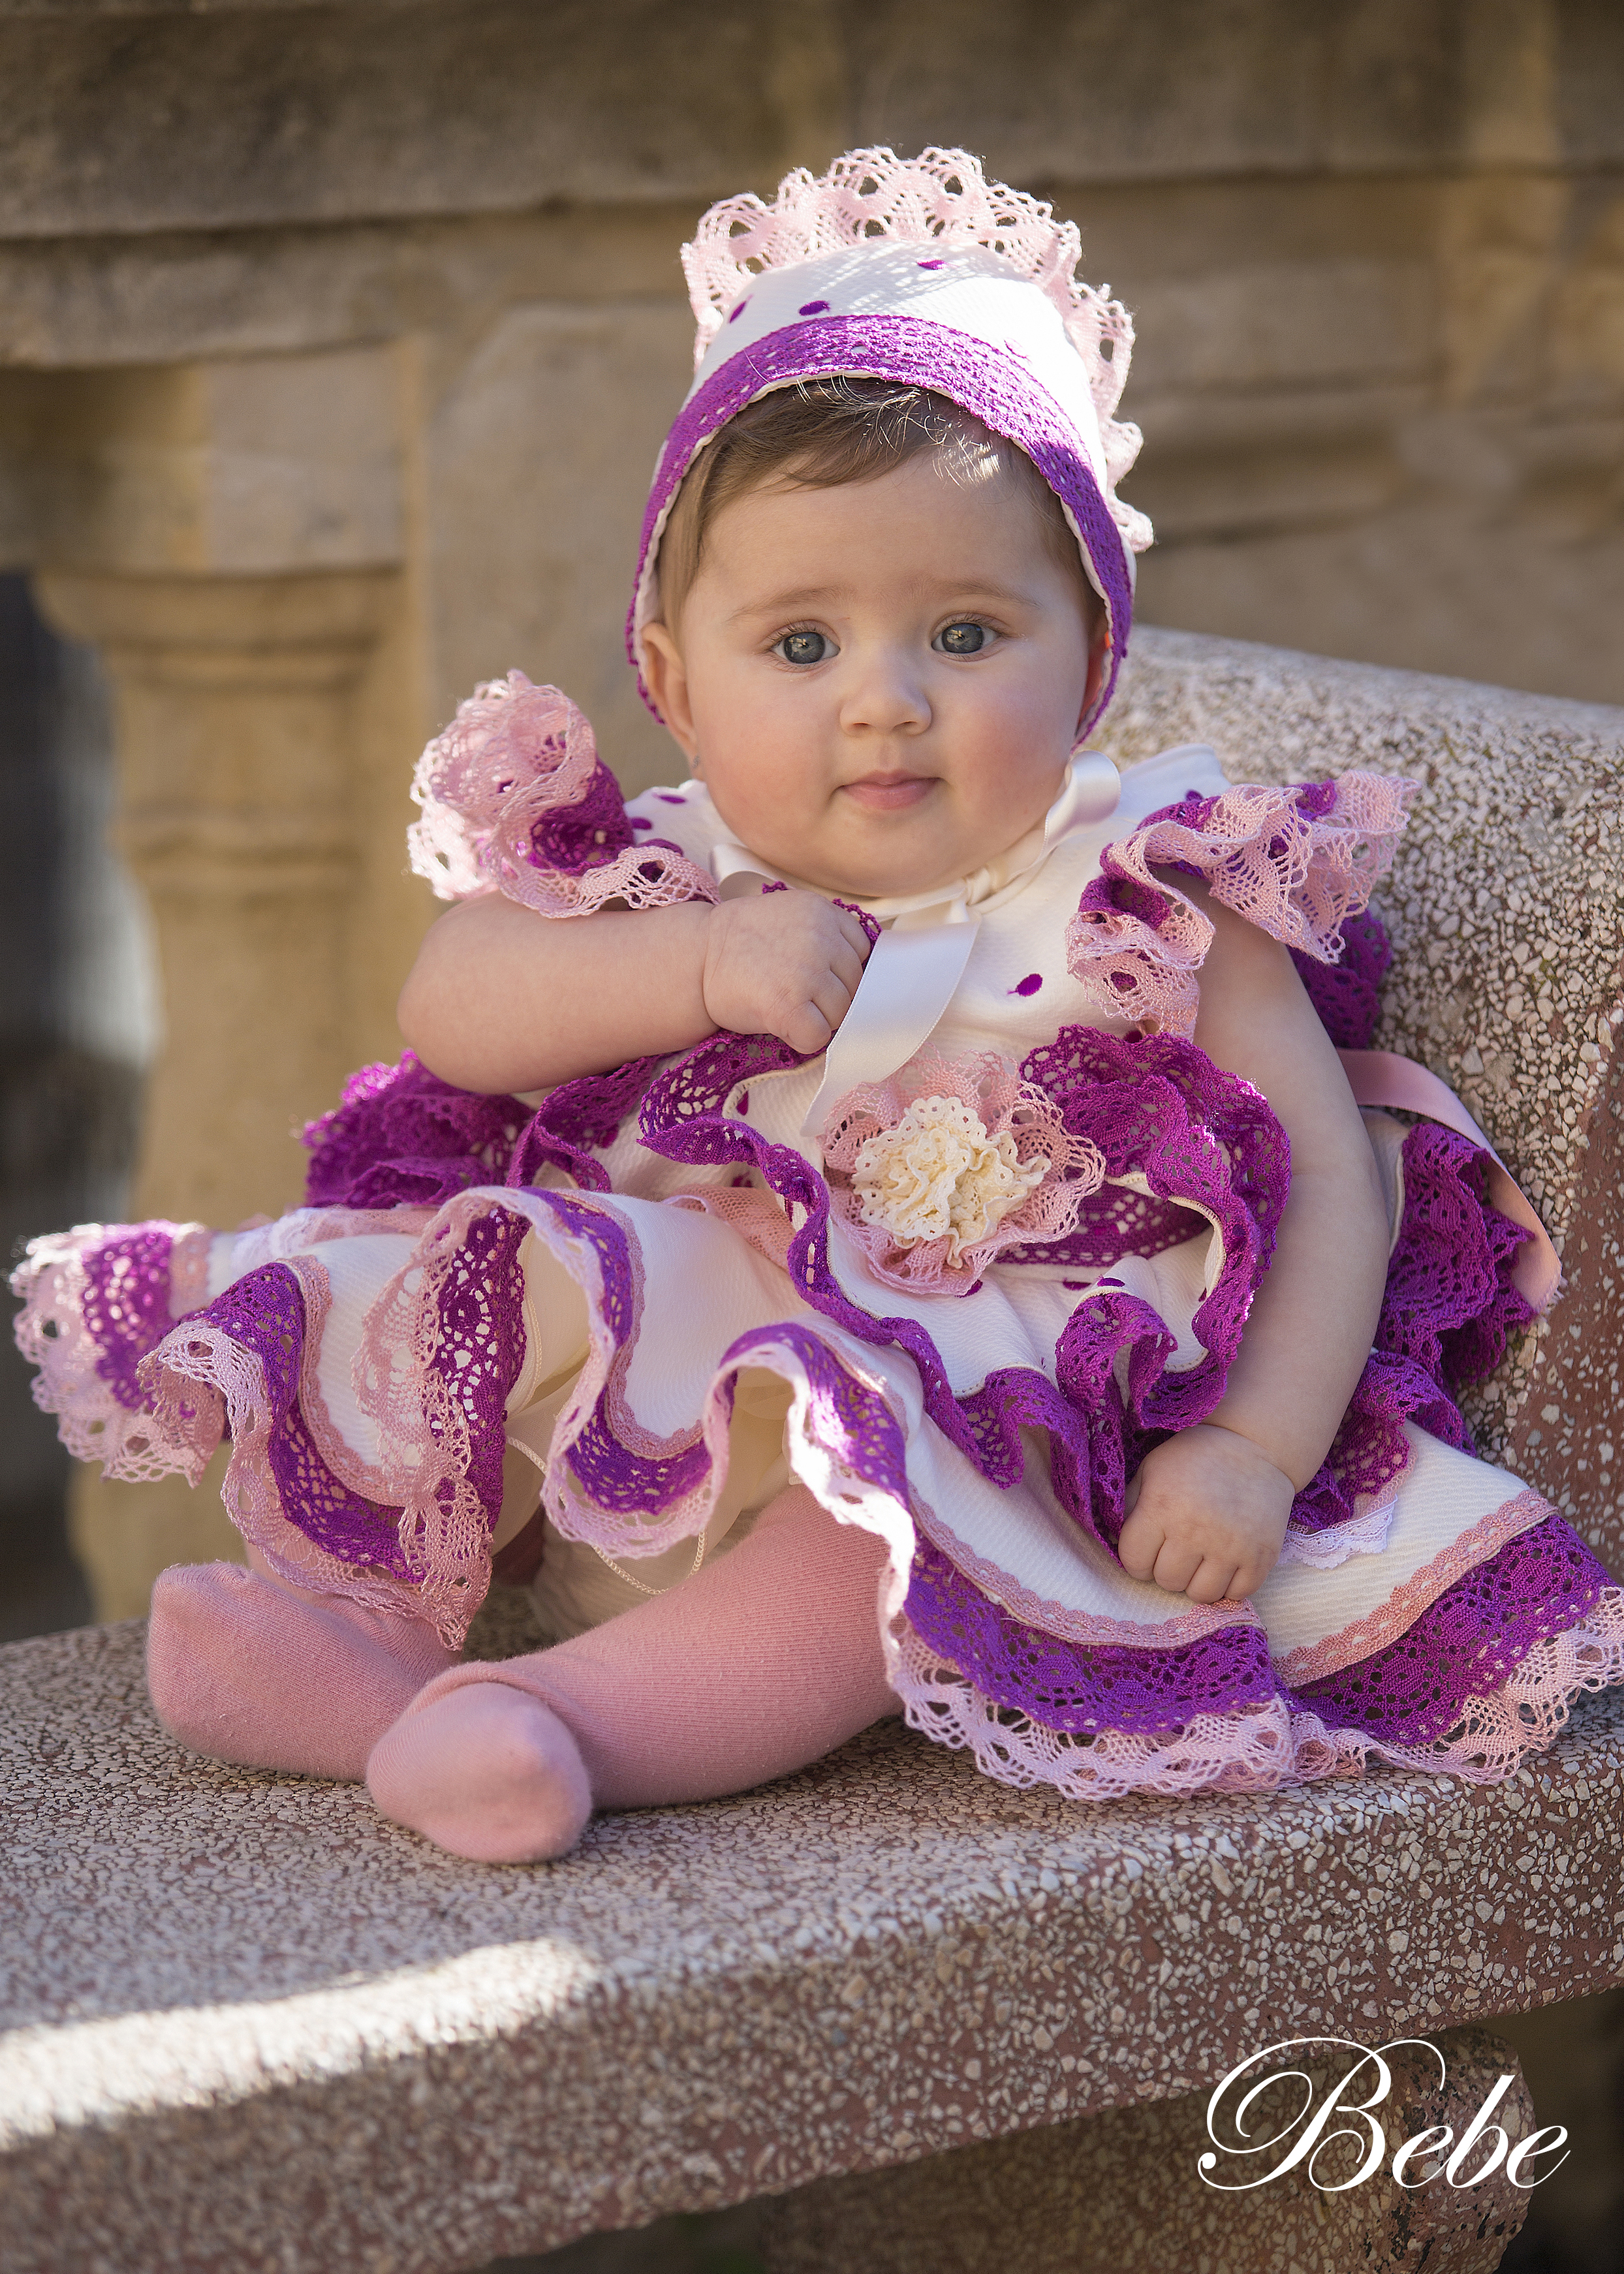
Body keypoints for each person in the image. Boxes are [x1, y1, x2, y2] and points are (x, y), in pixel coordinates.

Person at [14, 149, 1621, 1865]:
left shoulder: (1157, 895)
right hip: (680, 1362)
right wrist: (686, 967)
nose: (887, 706)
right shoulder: (675, 865)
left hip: (974, 1403)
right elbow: (457, 1003)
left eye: (962, 629)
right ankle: (379, 1654)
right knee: (481, 1280)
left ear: (1089, 665)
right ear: (672, 682)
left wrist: (1245, 1444)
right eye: (802, 646)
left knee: (875, 1535)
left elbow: (1326, 1177)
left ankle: (576, 1725)